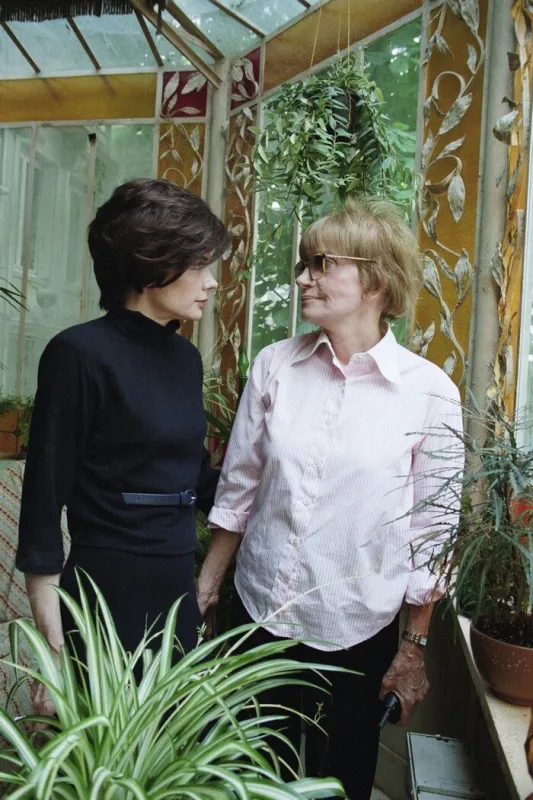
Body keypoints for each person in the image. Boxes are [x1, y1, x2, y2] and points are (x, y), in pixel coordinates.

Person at [197, 198, 464, 800]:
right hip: (258, 613)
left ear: (376, 280)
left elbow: (433, 532)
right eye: (303, 264)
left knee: (338, 783)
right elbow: (239, 489)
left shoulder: (429, 393)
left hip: (355, 631)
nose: (303, 278)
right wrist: (208, 587)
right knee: (245, 777)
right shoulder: (276, 366)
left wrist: (414, 647)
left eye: (321, 264)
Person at [17, 178, 228, 719]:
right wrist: (52, 654)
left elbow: (195, 476)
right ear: (152, 264)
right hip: (106, 589)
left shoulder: (184, 359)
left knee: (175, 747)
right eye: (198, 265)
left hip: (176, 586)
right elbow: (41, 512)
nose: (211, 281)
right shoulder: (78, 354)